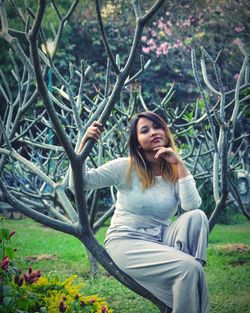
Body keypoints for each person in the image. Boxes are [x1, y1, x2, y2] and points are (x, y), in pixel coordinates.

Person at [73, 111, 210, 313]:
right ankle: (185, 278)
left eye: (157, 127)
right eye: (145, 130)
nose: (153, 132)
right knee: (190, 268)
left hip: (162, 239)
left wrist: (179, 164)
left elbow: (191, 206)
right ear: (137, 142)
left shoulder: (174, 168)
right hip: (127, 241)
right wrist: (84, 141)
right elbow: (78, 182)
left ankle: (184, 281)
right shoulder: (125, 166)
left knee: (197, 217)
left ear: (165, 132)